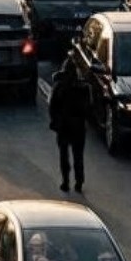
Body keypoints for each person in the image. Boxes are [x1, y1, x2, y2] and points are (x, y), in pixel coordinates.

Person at [49, 54, 91, 194]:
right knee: (78, 155)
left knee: (63, 155)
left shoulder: (59, 87)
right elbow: (88, 108)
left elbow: (52, 106)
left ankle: (65, 181)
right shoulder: (83, 88)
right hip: (78, 127)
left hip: (63, 126)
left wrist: (55, 121)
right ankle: (79, 182)